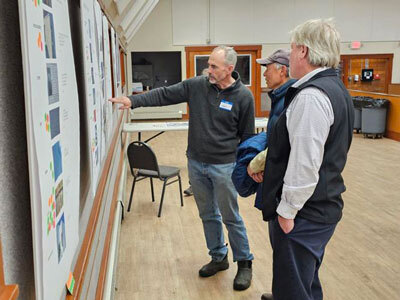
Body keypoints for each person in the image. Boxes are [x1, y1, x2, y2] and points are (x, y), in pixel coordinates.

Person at [109, 46, 255, 291]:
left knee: (231, 216)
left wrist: (244, 169)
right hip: (196, 164)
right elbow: (165, 94)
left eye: (214, 66)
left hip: (224, 167)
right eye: (208, 64)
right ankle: (218, 257)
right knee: (208, 214)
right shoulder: (197, 86)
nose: (208, 70)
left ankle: (244, 263)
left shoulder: (244, 97)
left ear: (229, 69)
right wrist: (132, 101)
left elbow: (248, 137)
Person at [259, 19, 354, 300]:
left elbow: (305, 163)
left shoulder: (311, 96)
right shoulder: (334, 87)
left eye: (291, 49)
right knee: (305, 281)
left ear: (302, 51)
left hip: (304, 214)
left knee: (292, 289)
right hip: (320, 209)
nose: (289, 55)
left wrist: (287, 212)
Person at [246, 49, 296, 183]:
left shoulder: (289, 100)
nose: (264, 74)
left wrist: (257, 164)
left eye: (268, 69)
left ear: (282, 71)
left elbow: (284, 144)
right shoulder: (279, 97)